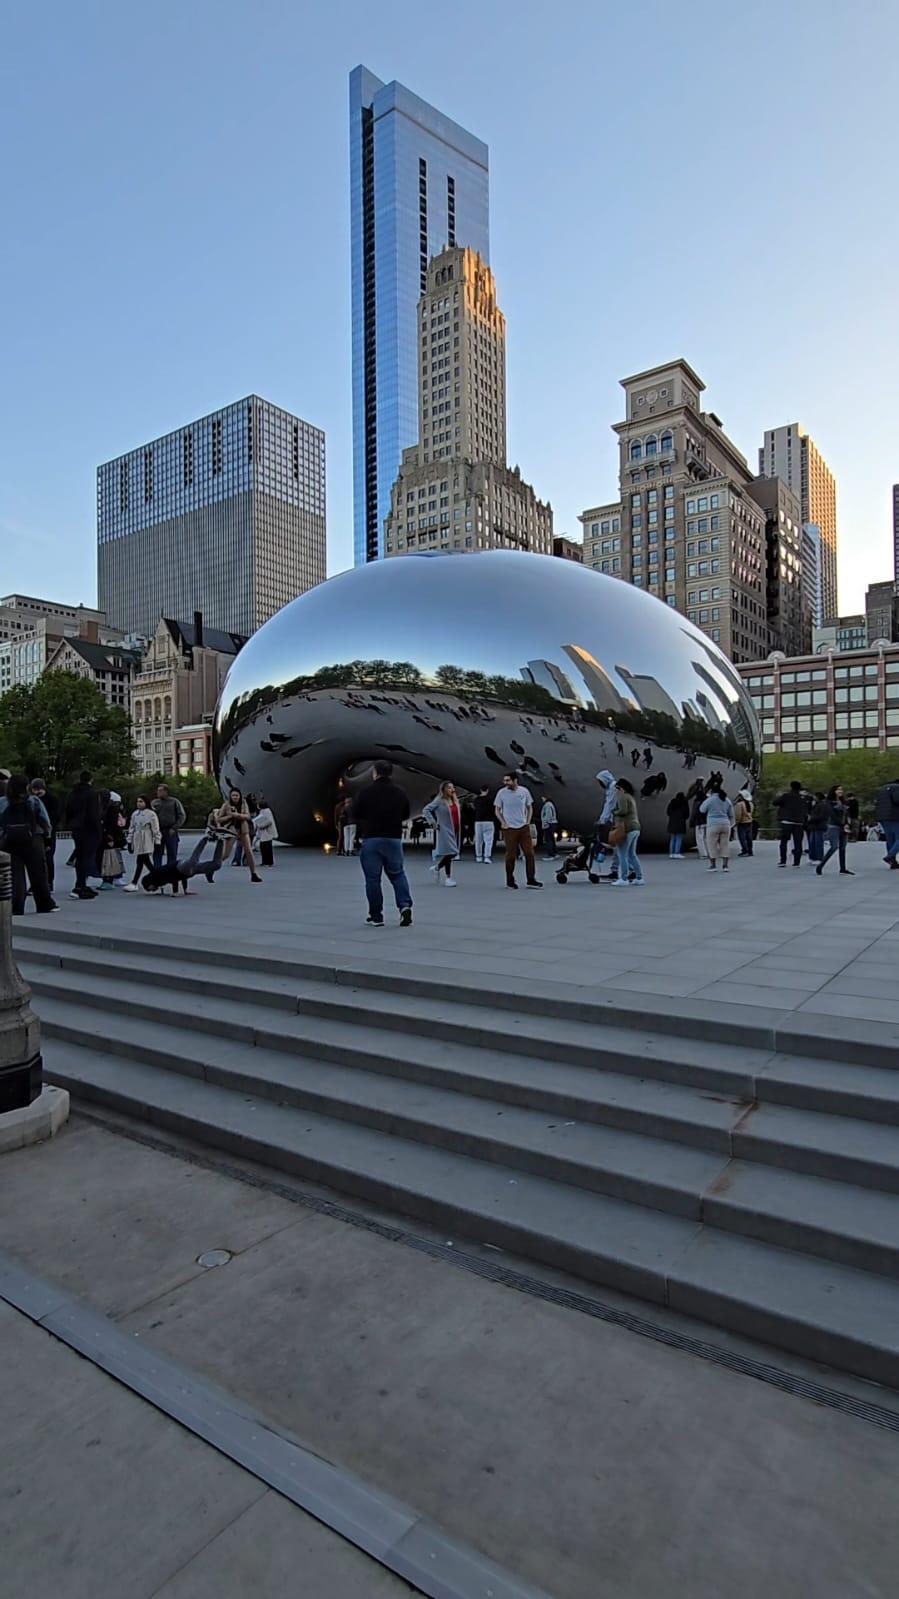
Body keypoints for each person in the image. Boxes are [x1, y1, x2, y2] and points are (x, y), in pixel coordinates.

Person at [353, 759, 414, 927]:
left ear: (375, 772)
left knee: (373, 879)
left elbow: (356, 813)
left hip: (372, 838)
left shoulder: (365, 792)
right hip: (393, 838)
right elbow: (406, 813)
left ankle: (376, 916)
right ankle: (405, 906)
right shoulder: (399, 792)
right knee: (397, 874)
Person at [0, 774, 57, 914]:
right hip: (33, 840)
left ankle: (16, 906)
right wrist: (48, 838)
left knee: (15, 875)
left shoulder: (2, 802)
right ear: (27, 787)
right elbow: (45, 822)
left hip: (9, 841)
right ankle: (44, 904)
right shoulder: (33, 801)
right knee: (38, 873)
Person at [494, 774, 541, 890]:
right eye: (504, 780)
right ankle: (510, 880)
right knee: (511, 855)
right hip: (509, 828)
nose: (505, 782)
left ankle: (531, 879)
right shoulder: (501, 793)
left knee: (529, 853)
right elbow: (497, 809)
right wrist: (502, 822)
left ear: (515, 780)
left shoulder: (524, 791)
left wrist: (528, 821)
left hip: (523, 827)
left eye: (508, 780)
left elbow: (529, 807)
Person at [65, 770, 102, 900]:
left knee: (80, 856)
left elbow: (68, 810)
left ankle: (80, 884)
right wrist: (98, 830)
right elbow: (94, 814)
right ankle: (80, 886)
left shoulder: (73, 793)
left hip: (76, 828)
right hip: (89, 829)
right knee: (87, 857)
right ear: (90, 780)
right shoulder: (92, 794)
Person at [217, 788, 262, 881]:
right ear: (230, 796)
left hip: (243, 830)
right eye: (233, 795)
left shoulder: (243, 803)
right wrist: (229, 816)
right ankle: (211, 868)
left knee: (249, 851)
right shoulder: (226, 805)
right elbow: (219, 819)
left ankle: (253, 874)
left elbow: (247, 816)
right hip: (231, 830)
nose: (235, 797)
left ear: (240, 796)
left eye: (237, 795)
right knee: (225, 854)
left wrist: (236, 815)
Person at [423, 781, 461, 886]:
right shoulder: (439, 800)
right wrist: (433, 823)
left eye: (452, 787)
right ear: (443, 789)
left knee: (450, 852)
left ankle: (440, 871)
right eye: (449, 788)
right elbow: (426, 810)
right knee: (452, 852)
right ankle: (444, 874)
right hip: (445, 829)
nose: (452, 790)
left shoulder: (454, 800)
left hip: (455, 829)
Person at [124, 796, 161, 890]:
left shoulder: (151, 814)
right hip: (138, 838)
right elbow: (131, 828)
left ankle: (135, 882)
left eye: (141, 801)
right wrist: (129, 841)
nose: (139, 803)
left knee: (142, 860)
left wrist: (157, 842)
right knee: (143, 861)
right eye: (137, 801)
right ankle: (157, 879)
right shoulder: (135, 814)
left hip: (147, 838)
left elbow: (155, 829)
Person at [610, 776, 642, 886]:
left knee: (622, 854)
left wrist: (614, 812)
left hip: (627, 828)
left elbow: (623, 811)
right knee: (632, 854)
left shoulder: (622, 797)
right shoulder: (631, 797)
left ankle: (623, 878)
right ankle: (639, 877)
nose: (616, 791)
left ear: (621, 788)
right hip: (636, 827)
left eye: (617, 788)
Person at [816, 785, 854, 876]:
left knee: (843, 848)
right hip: (834, 826)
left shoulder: (843, 802)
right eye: (838, 789)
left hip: (844, 826)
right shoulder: (829, 802)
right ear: (833, 791)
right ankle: (820, 865)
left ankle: (843, 868)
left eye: (841, 789)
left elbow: (847, 814)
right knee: (834, 846)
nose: (840, 791)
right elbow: (832, 815)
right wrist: (842, 824)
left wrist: (848, 824)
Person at [29, 778, 58, 892]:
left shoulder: (51, 799)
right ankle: (37, 884)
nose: (36, 793)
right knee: (37, 860)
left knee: (48, 858)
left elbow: (55, 816)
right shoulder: (32, 800)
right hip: (37, 832)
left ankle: (49, 882)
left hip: (48, 832)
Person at [700, 785, 735, 872]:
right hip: (725, 824)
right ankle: (725, 866)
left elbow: (702, 809)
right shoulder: (726, 799)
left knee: (712, 845)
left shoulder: (710, 799)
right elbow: (731, 813)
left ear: (712, 791)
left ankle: (713, 865)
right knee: (725, 844)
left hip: (713, 824)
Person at [152, 784, 186, 870]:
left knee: (172, 853)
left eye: (160, 791)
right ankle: (157, 873)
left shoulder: (174, 802)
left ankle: (170, 873)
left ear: (166, 791)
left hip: (170, 831)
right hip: (158, 831)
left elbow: (181, 816)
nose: (158, 793)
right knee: (157, 853)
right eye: (158, 791)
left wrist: (174, 828)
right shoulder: (155, 803)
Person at [775, 781, 808, 868]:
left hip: (787, 822)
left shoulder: (786, 796)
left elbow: (775, 803)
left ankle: (783, 861)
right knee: (798, 843)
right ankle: (796, 862)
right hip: (799, 822)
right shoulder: (803, 798)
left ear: (791, 787)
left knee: (784, 842)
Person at [875, 775, 899, 869]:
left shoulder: (883, 789)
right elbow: (897, 800)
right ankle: (889, 857)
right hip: (895, 816)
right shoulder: (897, 788)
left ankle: (893, 862)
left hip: (883, 817)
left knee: (890, 839)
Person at [472, 785, 495, 863]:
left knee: (478, 839)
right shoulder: (491, 799)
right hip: (489, 821)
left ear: (480, 790)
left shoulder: (476, 800)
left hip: (478, 821)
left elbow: (474, 808)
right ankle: (487, 857)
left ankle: (478, 856)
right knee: (489, 840)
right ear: (487, 790)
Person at [254, 797, 278, 867]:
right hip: (263, 833)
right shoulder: (262, 811)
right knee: (263, 848)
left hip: (267, 832)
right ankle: (264, 861)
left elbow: (269, 821)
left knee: (268, 848)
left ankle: (269, 862)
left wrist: (261, 825)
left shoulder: (267, 811)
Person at [688, 780, 708, 860]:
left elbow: (694, 813)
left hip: (699, 822)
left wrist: (691, 822)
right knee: (706, 838)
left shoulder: (697, 802)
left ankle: (703, 854)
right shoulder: (707, 801)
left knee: (700, 838)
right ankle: (708, 852)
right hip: (707, 822)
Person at [806, 792, 828, 864]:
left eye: (815, 796)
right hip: (813, 826)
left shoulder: (823, 805)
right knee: (812, 842)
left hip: (819, 826)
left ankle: (819, 858)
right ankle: (812, 857)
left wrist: (811, 818)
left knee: (818, 843)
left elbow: (822, 816)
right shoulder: (815, 805)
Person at [666, 792, 689, 858]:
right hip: (680, 823)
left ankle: (671, 853)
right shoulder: (684, 804)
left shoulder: (671, 803)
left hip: (672, 823)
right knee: (678, 838)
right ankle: (677, 853)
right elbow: (686, 814)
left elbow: (668, 812)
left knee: (673, 838)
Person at [733, 790, 754, 858]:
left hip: (742, 823)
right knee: (749, 837)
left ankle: (745, 850)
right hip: (749, 822)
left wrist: (736, 822)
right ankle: (750, 851)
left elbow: (738, 815)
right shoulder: (751, 804)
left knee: (742, 838)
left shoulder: (739, 804)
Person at [540, 795, 559, 859]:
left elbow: (548, 815)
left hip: (549, 824)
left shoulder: (547, 805)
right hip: (553, 823)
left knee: (548, 840)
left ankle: (550, 854)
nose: (542, 799)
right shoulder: (550, 804)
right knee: (551, 839)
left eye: (542, 797)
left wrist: (545, 823)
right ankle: (554, 853)